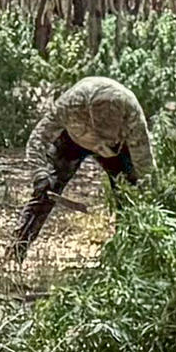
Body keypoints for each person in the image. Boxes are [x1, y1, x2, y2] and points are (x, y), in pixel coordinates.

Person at [14, 75, 154, 255]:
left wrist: (150, 193)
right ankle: (16, 252)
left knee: (129, 194)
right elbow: (37, 139)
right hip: (73, 141)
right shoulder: (69, 105)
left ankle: (128, 255)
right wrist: (39, 172)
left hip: (117, 152)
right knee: (46, 189)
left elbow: (144, 163)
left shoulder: (131, 111)